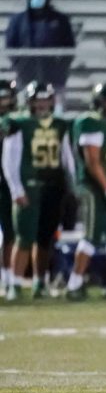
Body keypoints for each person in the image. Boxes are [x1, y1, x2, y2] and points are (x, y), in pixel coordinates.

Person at [1, 83, 73, 300]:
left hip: (53, 186)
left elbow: (67, 156)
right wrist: (16, 189)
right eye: (37, 100)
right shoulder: (18, 123)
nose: (42, 104)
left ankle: (39, 282)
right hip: (29, 185)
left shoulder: (61, 124)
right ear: (30, 102)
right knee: (23, 237)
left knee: (45, 239)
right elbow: (9, 159)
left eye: (45, 100)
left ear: (52, 101)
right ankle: (14, 284)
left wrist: (72, 184)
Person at [65, 83, 106, 300]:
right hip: (93, 186)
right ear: (99, 101)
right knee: (92, 235)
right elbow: (92, 162)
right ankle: (74, 284)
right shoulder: (90, 121)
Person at [5, 0, 75, 114]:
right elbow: (10, 45)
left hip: (54, 77)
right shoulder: (18, 20)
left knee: (57, 110)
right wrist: (20, 65)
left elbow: (69, 47)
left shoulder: (60, 20)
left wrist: (59, 67)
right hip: (26, 75)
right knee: (24, 110)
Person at [0, 80, 18, 295]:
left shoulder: (17, 120)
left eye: (5, 97)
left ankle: (7, 279)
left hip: (9, 183)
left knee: (10, 233)